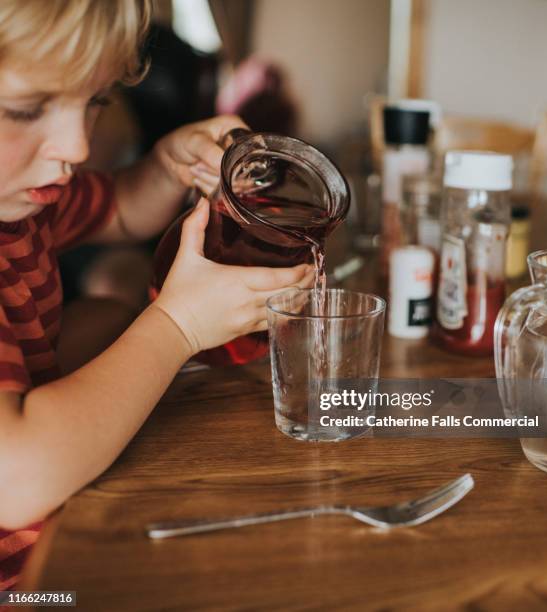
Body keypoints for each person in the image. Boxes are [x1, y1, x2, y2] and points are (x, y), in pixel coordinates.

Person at [0, 0, 313, 589]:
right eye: (25, 109)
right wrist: (179, 327)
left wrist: (168, 166)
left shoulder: (16, 204)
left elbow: (117, 209)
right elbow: (15, 482)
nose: (76, 146)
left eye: (94, 102)